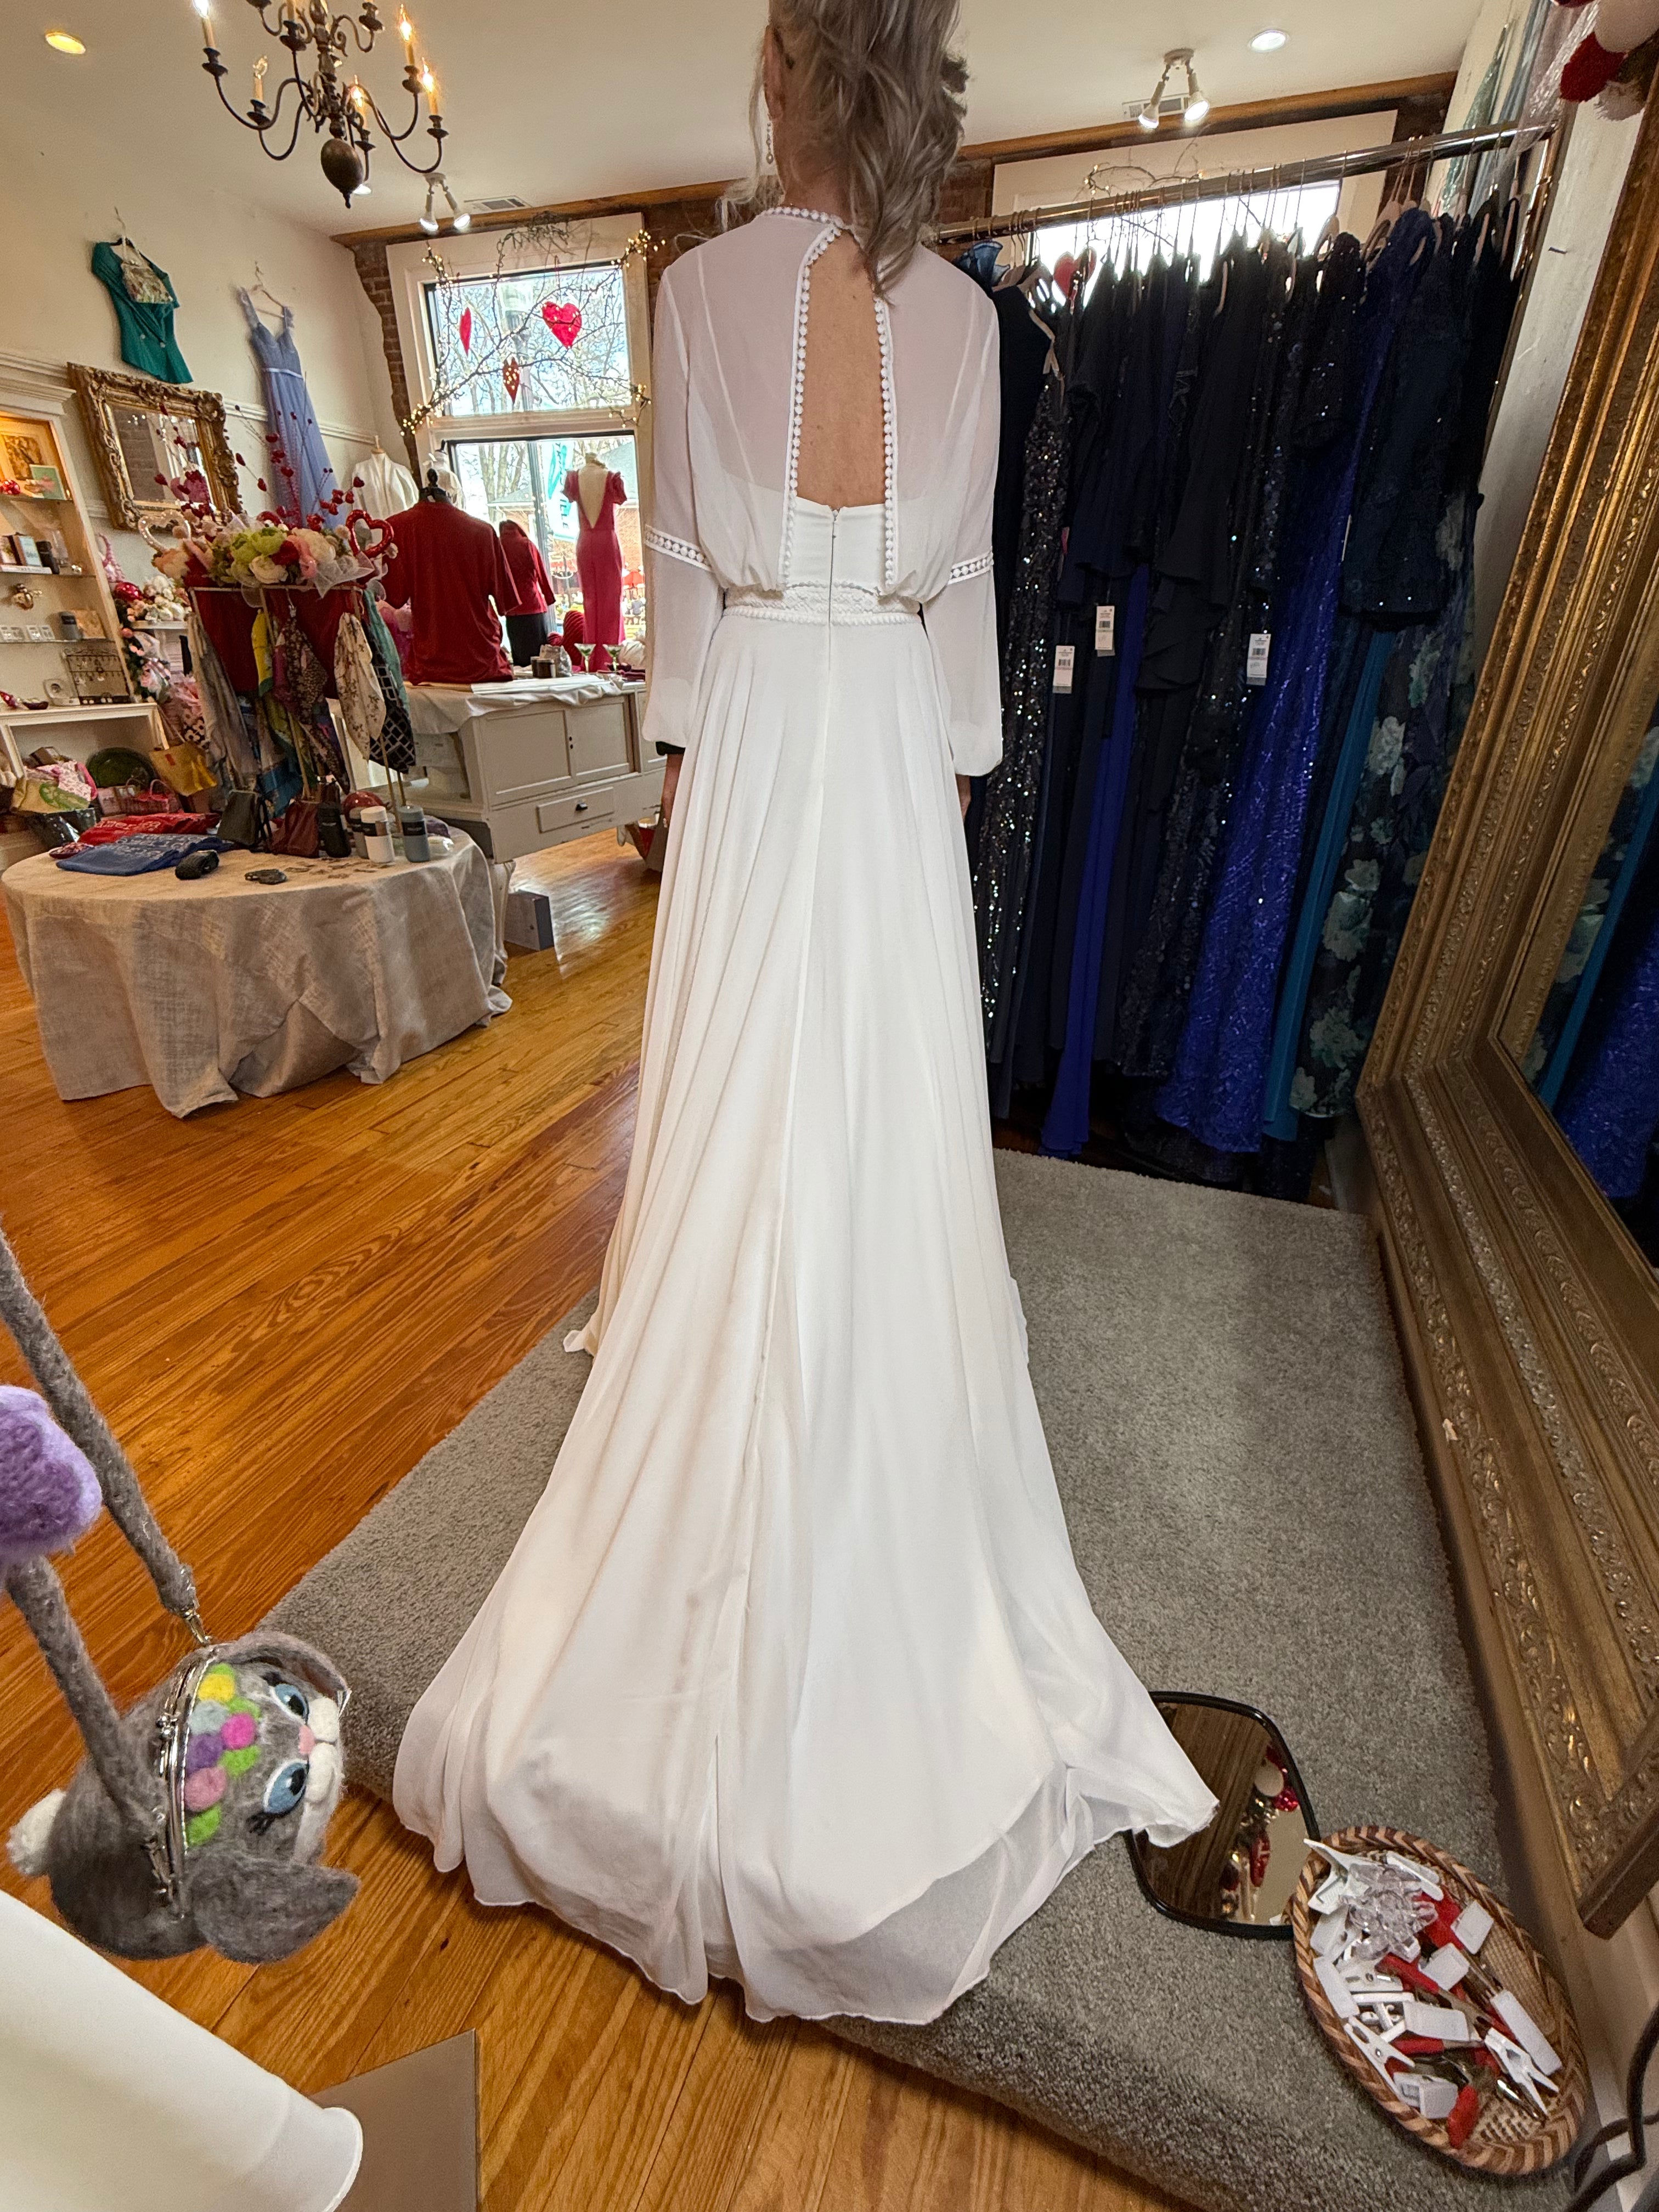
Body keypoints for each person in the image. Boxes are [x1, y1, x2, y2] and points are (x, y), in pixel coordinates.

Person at [394, 0, 1215, 2025]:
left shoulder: (698, 292)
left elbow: (677, 567)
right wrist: (932, 780)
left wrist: (689, 769)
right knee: (882, 1100)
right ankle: (859, 1364)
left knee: (742, 1085)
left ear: (787, 77)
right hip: (875, 750)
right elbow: (964, 616)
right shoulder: (974, 325)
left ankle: (729, 1359)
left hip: (763, 720)